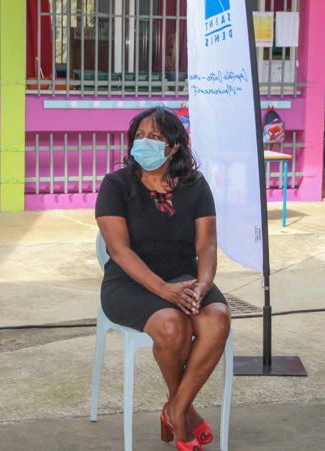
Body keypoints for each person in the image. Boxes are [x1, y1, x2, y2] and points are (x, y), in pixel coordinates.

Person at [95, 106, 231, 451]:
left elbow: (207, 244)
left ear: (174, 146)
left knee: (218, 318)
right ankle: (184, 415)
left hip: (184, 277)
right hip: (129, 282)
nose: (144, 142)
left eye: (155, 136)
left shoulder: (195, 185)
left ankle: (176, 408)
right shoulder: (116, 185)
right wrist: (163, 289)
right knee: (173, 326)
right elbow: (119, 250)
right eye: (139, 135)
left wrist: (204, 283)